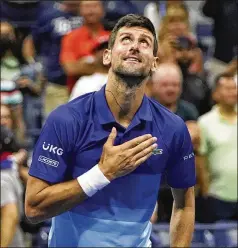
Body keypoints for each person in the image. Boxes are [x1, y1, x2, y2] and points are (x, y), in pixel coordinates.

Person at [25, 14, 196, 247]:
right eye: (126, 39)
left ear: (154, 62)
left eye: (144, 42)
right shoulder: (66, 119)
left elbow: (185, 204)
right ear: (107, 56)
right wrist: (103, 173)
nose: (135, 46)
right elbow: (34, 208)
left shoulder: (173, 128)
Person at [22, 0, 83, 116]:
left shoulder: (91, 12)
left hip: (86, 80)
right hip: (57, 82)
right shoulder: (49, 15)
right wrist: (36, 66)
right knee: (56, 127)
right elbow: (30, 42)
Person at [197, 73, 237, 222]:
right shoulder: (205, 122)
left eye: (234, 88)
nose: (233, 92)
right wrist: (206, 191)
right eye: (227, 88)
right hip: (218, 198)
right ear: (215, 94)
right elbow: (201, 161)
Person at [60, 0, 110, 93]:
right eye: (87, 7)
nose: (91, 11)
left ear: (103, 10)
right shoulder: (71, 37)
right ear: (80, 10)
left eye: (95, 6)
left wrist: (85, 63)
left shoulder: (112, 35)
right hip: (80, 92)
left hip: (110, 92)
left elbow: (119, 66)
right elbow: (70, 69)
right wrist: (103, 66)